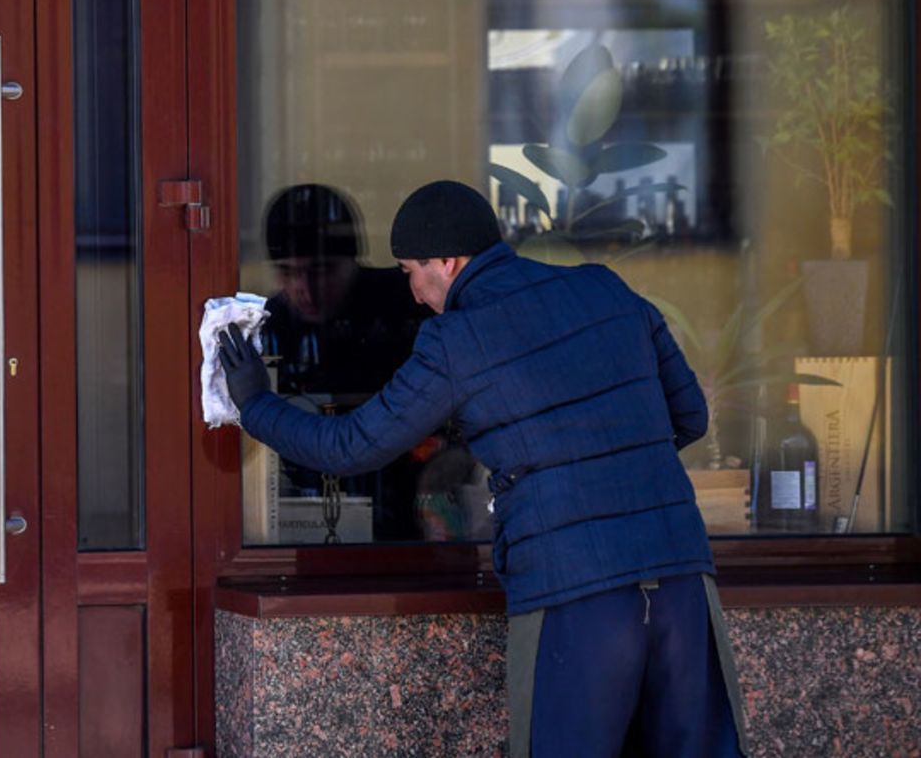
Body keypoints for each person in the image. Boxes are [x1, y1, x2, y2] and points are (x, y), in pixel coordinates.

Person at [218, 179, 749, 757]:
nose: (414, 294)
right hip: (680, 576)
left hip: (572, 589)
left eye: (410, 272)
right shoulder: (606, 289)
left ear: (446, 262)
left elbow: (349, 446)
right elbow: (689, 415)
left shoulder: (456, 340)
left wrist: (254, 401)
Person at [258, 184, 437, 540]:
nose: (305, 289)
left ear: (353, 262)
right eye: (288, 273)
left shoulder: (406, 308)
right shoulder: (267, 325)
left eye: (321, 271)